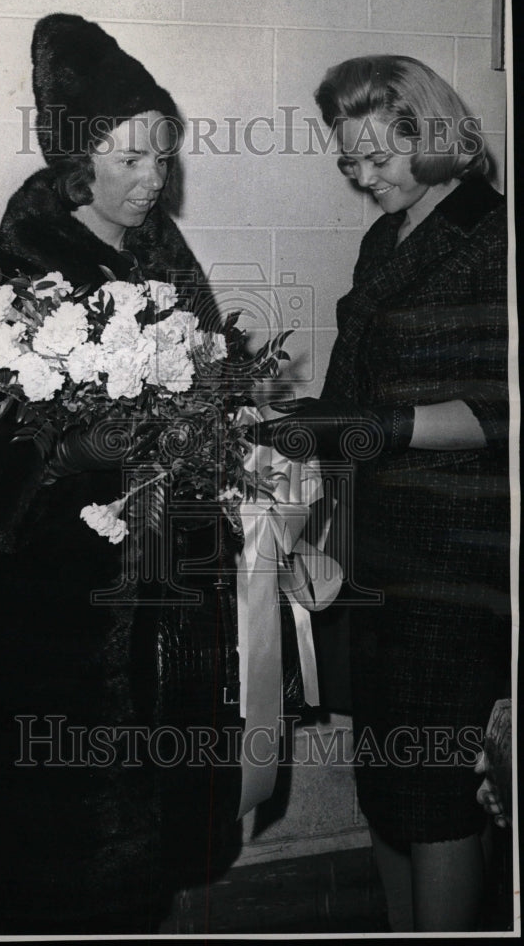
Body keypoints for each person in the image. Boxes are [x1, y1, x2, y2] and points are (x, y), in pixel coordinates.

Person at [0, 13, 242, 934]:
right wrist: (72, 465)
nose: (151, 181)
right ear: (76, 156)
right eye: (130, 160)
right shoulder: (17, 269)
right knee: (55, 868)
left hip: (164, 614)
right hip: (50, 627)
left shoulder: (166, 260)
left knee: (152, 865)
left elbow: (215, 400)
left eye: (162, 159)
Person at [256, 55, 510, 931]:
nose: (362, 178)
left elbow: (501, 413)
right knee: (386, 782)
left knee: (437, 793)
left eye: (377, 156)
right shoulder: (386, 237)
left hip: (457, 557)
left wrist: (367, 426)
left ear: (431, 136)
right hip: (378, 547)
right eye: (348, 161)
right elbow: (350, 395)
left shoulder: (493, 235)